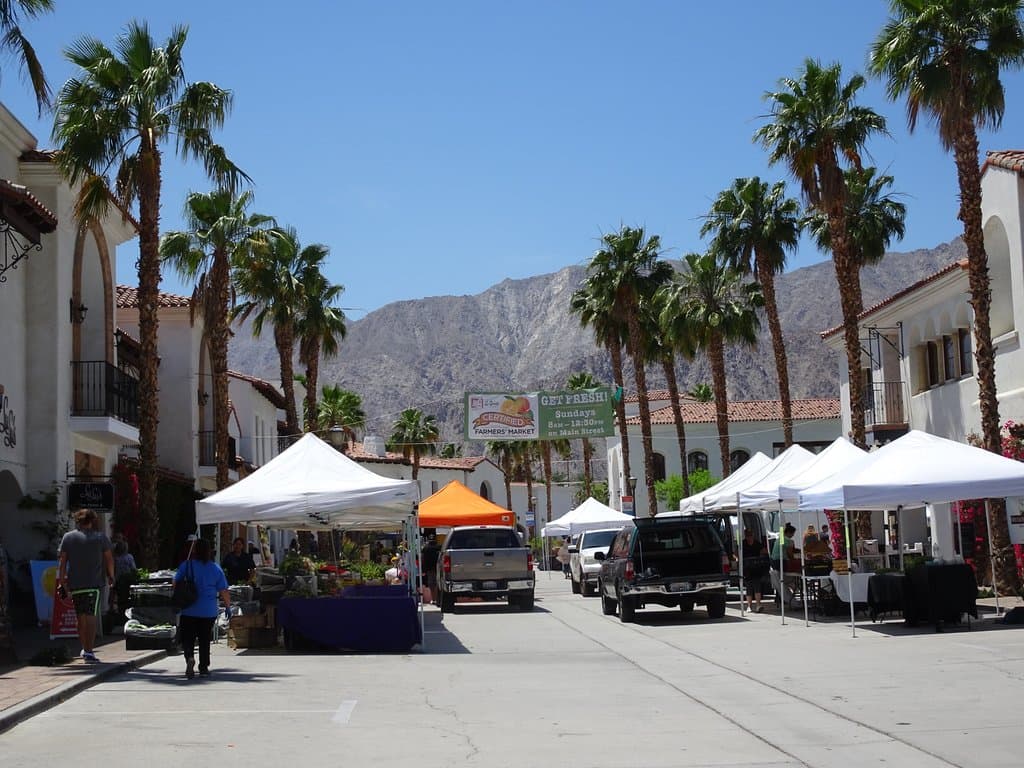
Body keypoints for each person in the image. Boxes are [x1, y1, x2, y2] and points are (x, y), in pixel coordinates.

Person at [57, 509, 114, 663]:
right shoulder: (100, 537)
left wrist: (62, 581)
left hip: (75, 584)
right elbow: (109, 558)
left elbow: (62, 561)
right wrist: (111, 576)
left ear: (78, 521)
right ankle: (89, 650)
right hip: (94, 584)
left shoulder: (68, 537)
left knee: (80, 616)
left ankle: (84, 647)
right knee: (91, 616)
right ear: (92, 521)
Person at [174, 537, 230, 679]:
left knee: (188, 638)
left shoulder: (186, 565)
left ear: (195, 551)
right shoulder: (215, 568)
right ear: (209, 551)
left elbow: (175, 583)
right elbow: (223, 590)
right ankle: (203, 667)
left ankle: (190, 658)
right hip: (208, 610)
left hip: (189, 609)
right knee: (205, 639)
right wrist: (228, 607)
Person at [741, 528, 768, 613]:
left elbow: (764, 551)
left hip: (756, 567)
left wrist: (761, 556)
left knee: (757, 587)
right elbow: (736, 553)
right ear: (745, 536)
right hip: (747, 568)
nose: (749, 537)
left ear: (753, 535)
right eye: (748, 535)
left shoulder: (757, 543)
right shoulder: (743, 544)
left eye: (751, 535)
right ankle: (749, 606)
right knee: (749, 587)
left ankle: (758, 605)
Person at [420, 532, 441, 604]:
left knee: (432, 584)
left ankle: (434, 599)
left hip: (429, 569)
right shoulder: (439, 547)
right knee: (438, 584)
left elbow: (422, 559)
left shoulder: (425, 548)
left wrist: (423, 569)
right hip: (438, 568)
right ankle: (438, 599)